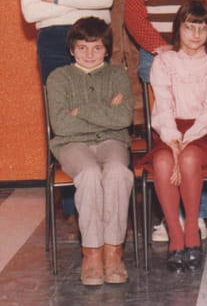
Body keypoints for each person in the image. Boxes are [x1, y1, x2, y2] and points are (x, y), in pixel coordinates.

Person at [136, 0, 207, 272]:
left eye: (202, 28)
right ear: (178, 29)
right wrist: (173, 139)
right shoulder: (164, 61)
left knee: (187, 159)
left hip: (205, 130)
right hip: (170, 127)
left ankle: (192, 231)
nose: (196, 35)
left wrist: (186, 142)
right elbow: (162, 105)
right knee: (164, 162)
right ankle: (175, 237)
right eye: (189, 27)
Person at [46, 17, 134, 286]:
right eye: (82, 47)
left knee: (118, 172)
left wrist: (80, 111)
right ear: (71, 49)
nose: (89, 54)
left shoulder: (118, 75)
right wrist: (106, 111)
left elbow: (123, 119)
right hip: (72, 144)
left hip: (113, 141)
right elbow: (61, 125)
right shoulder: (58, 77)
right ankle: (92, 254)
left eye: (97, 48)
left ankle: (113, 252)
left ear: (106, 50)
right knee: (90, 174)